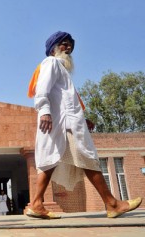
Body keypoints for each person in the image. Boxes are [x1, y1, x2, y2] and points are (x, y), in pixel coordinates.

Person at [26, 31, 142, 219]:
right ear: (54, 48)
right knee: (87, 158)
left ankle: (37, 204)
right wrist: (45, 111)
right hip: (64, 124)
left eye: (70, 45)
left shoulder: (62, 70)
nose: (68, 48)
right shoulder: (52, 62)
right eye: (64, 44)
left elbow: (64, 100)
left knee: (51, 161)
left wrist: (82, 118)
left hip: (67, 122)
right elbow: (42, 90)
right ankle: (112, 203)